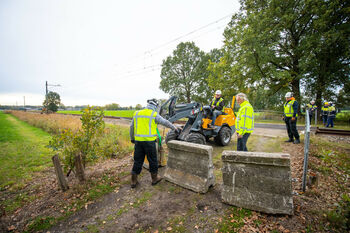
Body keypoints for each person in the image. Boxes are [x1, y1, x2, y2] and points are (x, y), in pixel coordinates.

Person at [129, 99, 180, 188]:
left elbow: (131, 127)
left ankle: (133, 181)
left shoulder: (137, 113)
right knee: (152, 160)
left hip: (138, 142)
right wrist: (174, 128)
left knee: (137, 161)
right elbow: (165, 122)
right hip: (149, 143)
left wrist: (132, 138)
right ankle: (154, 179)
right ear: (155, 107)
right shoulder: (154, 114)